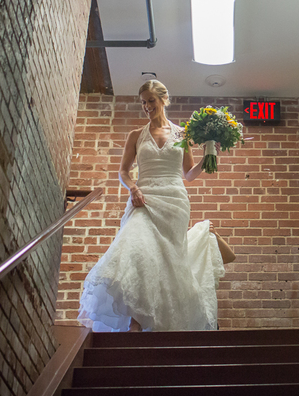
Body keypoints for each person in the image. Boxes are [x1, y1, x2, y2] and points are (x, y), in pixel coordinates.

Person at [77, 80, 232, 332]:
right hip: (144, 198)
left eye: (151, 101)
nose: (147, 106)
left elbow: (188, 174)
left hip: (174, 202)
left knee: (166, 261)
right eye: (143, 102)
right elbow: (123, 171)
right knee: (137, 249)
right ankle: (135, 323)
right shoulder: (135, 135)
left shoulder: (181, 134)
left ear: (163, 100)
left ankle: (156, 322)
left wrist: (208, 155)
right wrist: (133, 188)